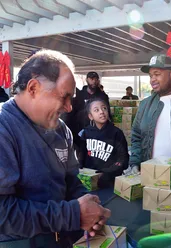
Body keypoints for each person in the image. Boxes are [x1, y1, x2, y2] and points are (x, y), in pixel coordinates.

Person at [0, 50, 111, 247]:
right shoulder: (4, 128)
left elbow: (69, 181)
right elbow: (3, 213)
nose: (69, 107)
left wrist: (88, 207)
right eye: (64, 97)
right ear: (33, 88)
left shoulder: (62, 131)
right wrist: (73, 214)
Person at [79, 98, 129, 188]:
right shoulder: (86, 133)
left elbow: (123, 159)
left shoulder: (116, 133)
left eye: (104, 108)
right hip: (89, 180)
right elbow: (81, 155)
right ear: (90, 116)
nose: (101, 112)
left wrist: (108, 173)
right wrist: (80, 170)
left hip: (110, 182)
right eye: (96, 110)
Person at [62, 71, 111, 153]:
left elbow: (107, 113)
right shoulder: (79, 95)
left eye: (96, 79)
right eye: (91, 79)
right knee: (80, 154)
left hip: (96, 132)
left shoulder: (102, 96)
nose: (94, 81)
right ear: (87, 80)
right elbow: (71, 113)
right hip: (79, 131)